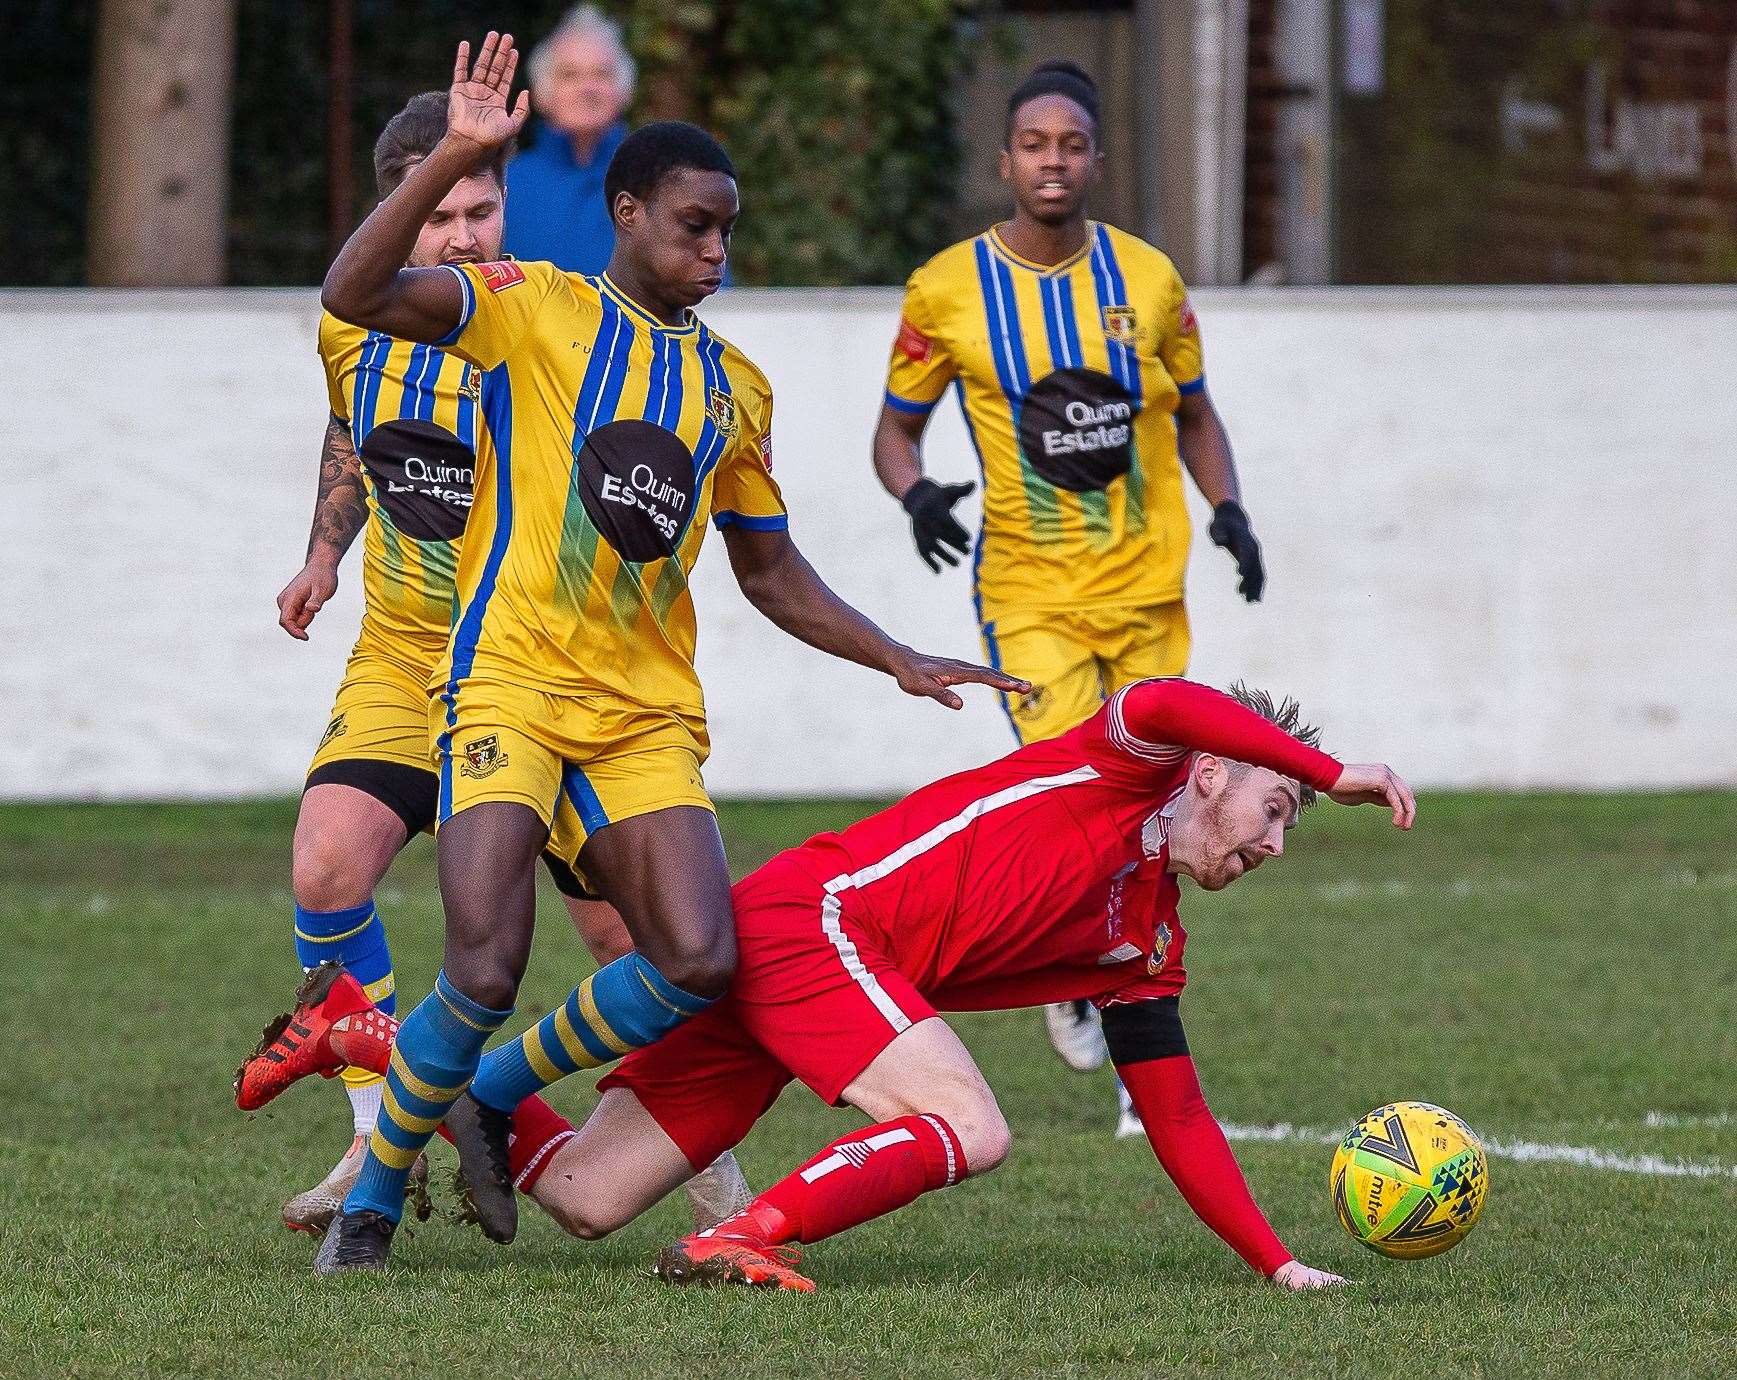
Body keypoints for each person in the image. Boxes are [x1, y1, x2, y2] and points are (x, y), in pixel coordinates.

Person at [307, 33, 1023, 1275]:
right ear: (627, 214)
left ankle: (486, 1095)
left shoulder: (734, 388)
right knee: (483, 958)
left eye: (727, 234)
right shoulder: (533, 308)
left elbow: (769, 569)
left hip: (644, 714)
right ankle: (372, 1198)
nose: (717, 254)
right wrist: (454, 164)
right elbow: (354, 295)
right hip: (508, 684)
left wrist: (898, 656)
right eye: (696, 227)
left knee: (699, 958)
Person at [239, 677, 1415, 1291]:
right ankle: (738, 1239)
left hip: (802, 967)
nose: (1274, 842)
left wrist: (1278, 1263)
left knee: (585, 1199)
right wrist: (1330, 767)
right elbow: (1168, 698)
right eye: (1274, 809)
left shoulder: (1147, 940)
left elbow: (1178, 1115)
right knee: (968, 1125)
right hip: (821, 923)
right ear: (1214, 774)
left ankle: (372, 1035)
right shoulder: (1132, 756)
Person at [269, 89, 748, 1236]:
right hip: (404, 657)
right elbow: (352, 434)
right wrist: (322, 553)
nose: (468, 235)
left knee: (628, 938)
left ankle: (707, 1164)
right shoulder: (355, 327)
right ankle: (376, 1132)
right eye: (444, 214)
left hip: (536, 664)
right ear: (404, 207)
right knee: (328, 865)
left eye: (486, 209)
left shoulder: (520, 323)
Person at [872, 60, 1268, 1126]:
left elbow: (1196, 411)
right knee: (1084, 793)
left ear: (1096, 159)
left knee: (1165, 798)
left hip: (1147, 587)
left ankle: (1127, 993)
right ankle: (1087, 984)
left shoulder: (1149, 281)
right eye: (1035, 144)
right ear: (1005, 161)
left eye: (1073, 144)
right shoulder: (946, 291)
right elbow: (894, 434)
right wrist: (916, 498)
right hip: (1031, 595)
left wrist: (1227, 511)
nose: (1055, 161)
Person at [501, 4, 634, 272]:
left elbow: (714, 299)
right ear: (541, 93)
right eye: (570, 75)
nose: (587, 88)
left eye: (601, 74)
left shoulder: (662, 184)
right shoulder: (503, 186)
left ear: (624, 91)